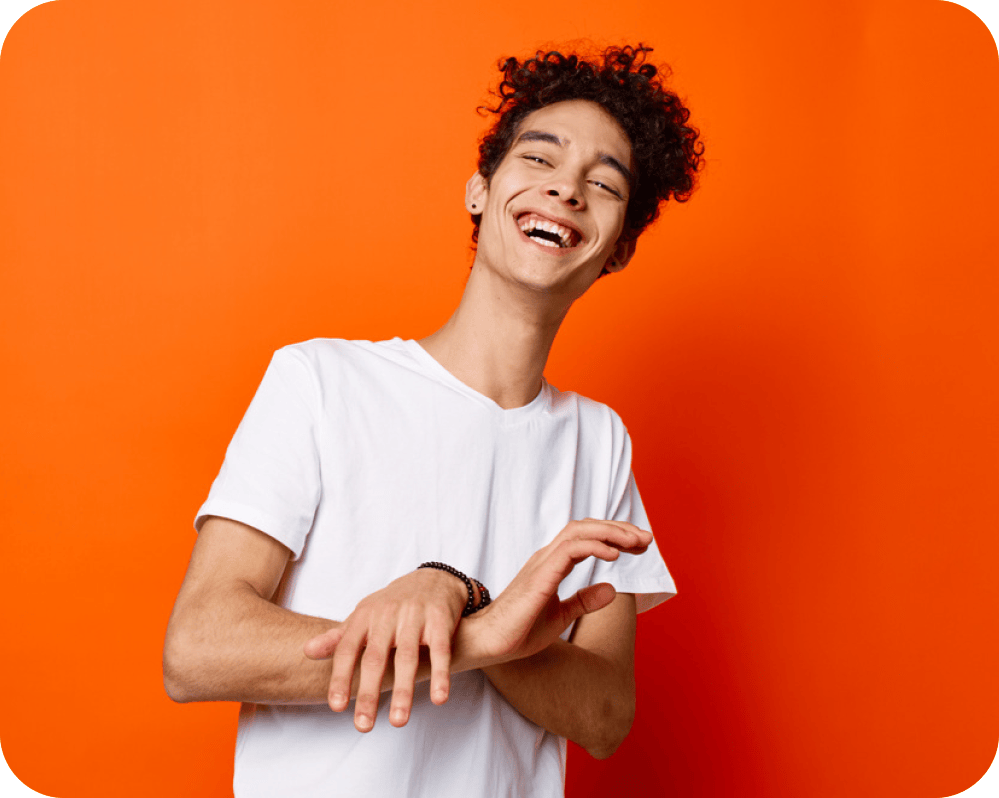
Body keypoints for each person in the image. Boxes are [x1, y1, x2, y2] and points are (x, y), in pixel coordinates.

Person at [163, 44, 703, 797]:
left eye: (602, 184)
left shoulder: (597, 440)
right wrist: (480, 631)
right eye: (539, 158)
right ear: (479, 191)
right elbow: (198, 649)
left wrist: (464, 596)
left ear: (617, 251)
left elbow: (606, 715)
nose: (566, 189)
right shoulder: (321, 380)